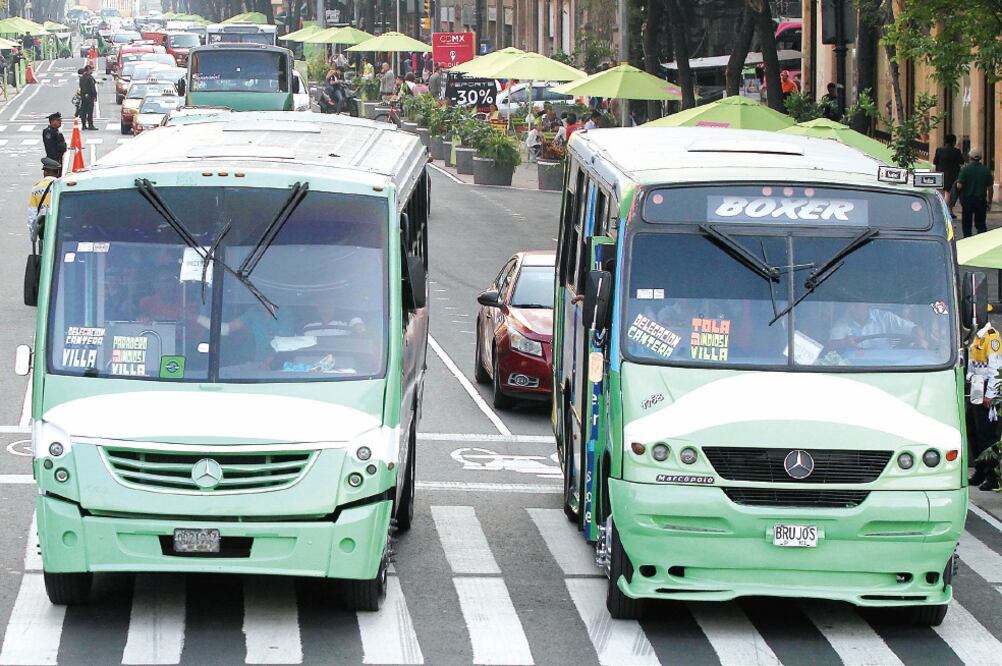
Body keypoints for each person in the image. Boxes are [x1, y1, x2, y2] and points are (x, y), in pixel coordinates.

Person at [967, 322, 1002, 490]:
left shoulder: (992, 337)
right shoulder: (976, 336)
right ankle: (980, 471)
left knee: (987, 435)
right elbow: (972, 364)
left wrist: (991, 394)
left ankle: (992, 476)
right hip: (976, 388)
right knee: (973, 432)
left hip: (987, 390)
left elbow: (996, 368)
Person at [827, 302, 927, 351]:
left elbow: (914, 328)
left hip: (889, 365)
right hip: (854, 366)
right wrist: (844, 342)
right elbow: (829, 347)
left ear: (867, 306)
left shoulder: (885, 317)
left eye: (856, 305)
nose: (852, 309)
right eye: (850, 306)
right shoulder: (841, 323)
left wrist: (920, 340)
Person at [956, 146, 994, 237]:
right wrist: (989, 202)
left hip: (968, 200)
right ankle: (980, 240)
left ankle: (967, 240)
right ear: (980, 158)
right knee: (981, 224)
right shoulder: (986, 170)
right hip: (981, 200)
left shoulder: (965, 169)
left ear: (970, 157)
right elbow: (990, 188)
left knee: (967, 224)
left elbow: (959, 185)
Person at [27, 158, 60, 240]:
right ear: (57, 172)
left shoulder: (36, 188)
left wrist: (33, 235)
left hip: (43, 226)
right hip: (59, 224)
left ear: (45, 172)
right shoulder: (61, 185)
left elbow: (32, 214)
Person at [933, 134, 964, 217]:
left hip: (941, 175)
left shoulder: (939, 150)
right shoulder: (956, 151)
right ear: (954, 142)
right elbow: (961, 161)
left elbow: (935, 162)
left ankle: (946, 210)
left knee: (946, 193)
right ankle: (947, 211)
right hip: (953, 176)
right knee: (950, 194)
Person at [78, 65, 98, 130]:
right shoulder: (90, 78)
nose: (92, 71)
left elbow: (80, 86)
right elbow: (92, 88)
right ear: (88, 70)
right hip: (89, 96)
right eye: (91, 70)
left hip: (83, 96)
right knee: (89, 111)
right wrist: (95, 96)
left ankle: (83, 125)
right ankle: (90, 125)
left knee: (83, 111)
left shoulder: (81, 78)